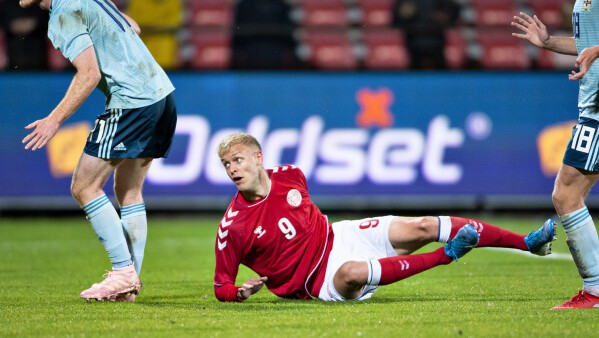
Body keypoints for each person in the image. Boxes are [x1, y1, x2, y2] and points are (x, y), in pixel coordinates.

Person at [213, 132, 556, 302]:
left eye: (238, 160)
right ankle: (445, 256)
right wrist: (239, 293)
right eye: (227, 164)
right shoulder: (233, 226)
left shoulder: (290, 174)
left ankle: (528, 243)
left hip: (339, 236)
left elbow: (303, 216)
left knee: (422, 225)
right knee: (353, 271)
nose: (233, 169)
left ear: (258, 157)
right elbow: (221, 285)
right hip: (315, 281)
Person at [19, 0, 177, 302]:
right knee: (128, 190)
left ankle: (123, 272)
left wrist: (54, 120)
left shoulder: (63, 14)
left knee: (84, 186)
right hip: (161, 95)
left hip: (132, 102)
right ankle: (128, 284)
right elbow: (133, 26)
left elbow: (89, 75)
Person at [512, 5, 599, 309]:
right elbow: (588, 42)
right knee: (567, 194)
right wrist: (549, 43)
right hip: (592, 105)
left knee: (566, 193)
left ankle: (595, 291)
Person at [0, 0, 49, 70]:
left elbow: (47, 19)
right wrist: (12, 25)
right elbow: (3, 21)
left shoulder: (41, 4)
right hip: (14, 57)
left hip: (38, 58)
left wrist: (34, 24)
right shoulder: (6, 4)